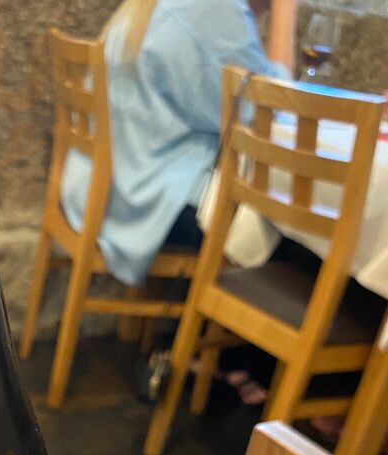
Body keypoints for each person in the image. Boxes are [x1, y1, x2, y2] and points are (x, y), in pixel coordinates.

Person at [61, 0, 296, 289]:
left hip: (105, 190)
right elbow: (275, 110)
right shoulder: (215, 8)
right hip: (148, 207)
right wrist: (285, 11)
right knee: (306, 245)